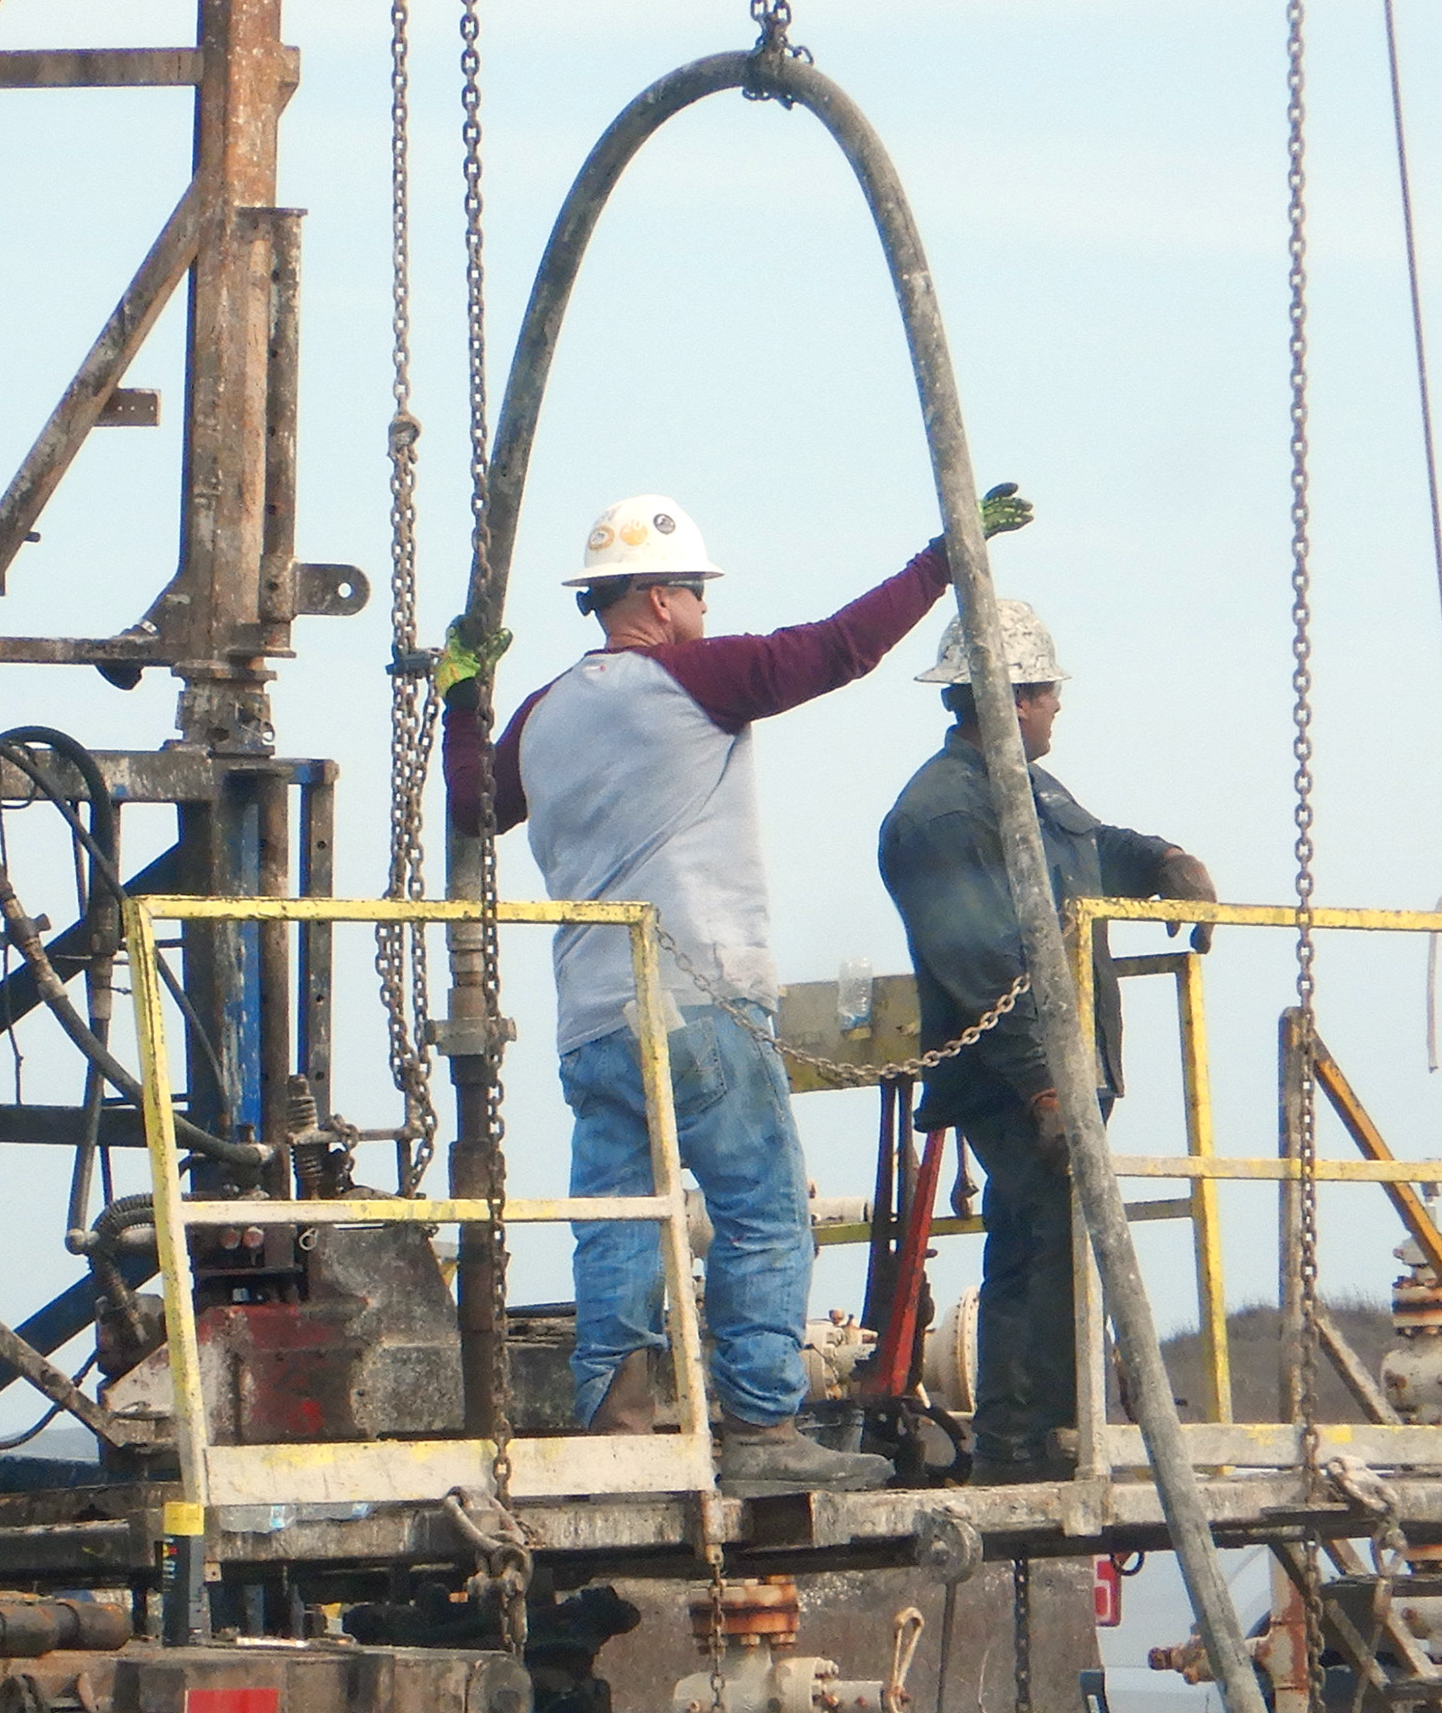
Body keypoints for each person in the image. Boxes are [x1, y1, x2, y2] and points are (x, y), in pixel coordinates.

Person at [442, 486, 1034, 1494]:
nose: (706, 616)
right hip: (698, 1000)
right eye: (698, 597)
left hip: (591, 1020)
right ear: (665, 599)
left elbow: (471, 801)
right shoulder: (689, 681)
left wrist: (463, 696)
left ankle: (617, 1433)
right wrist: (943, 559)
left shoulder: (542, 713)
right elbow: (840, 646)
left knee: (620, 1219)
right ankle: (760, 1426)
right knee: (762, 1209)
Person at [876, 600, 1213, 1485]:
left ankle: (1060, 1430)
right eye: (1047, 689)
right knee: (1034, 1242)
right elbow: (982, 962)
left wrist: (1165, 862)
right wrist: (1043, 1083)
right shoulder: (941, 815)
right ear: (1010, 696)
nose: (1058, 702)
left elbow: (1092, 850)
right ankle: (1018, 1450)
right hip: (1010, 1076)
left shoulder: (1026, 790)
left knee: (1061, 1240)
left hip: (1062, 1071)